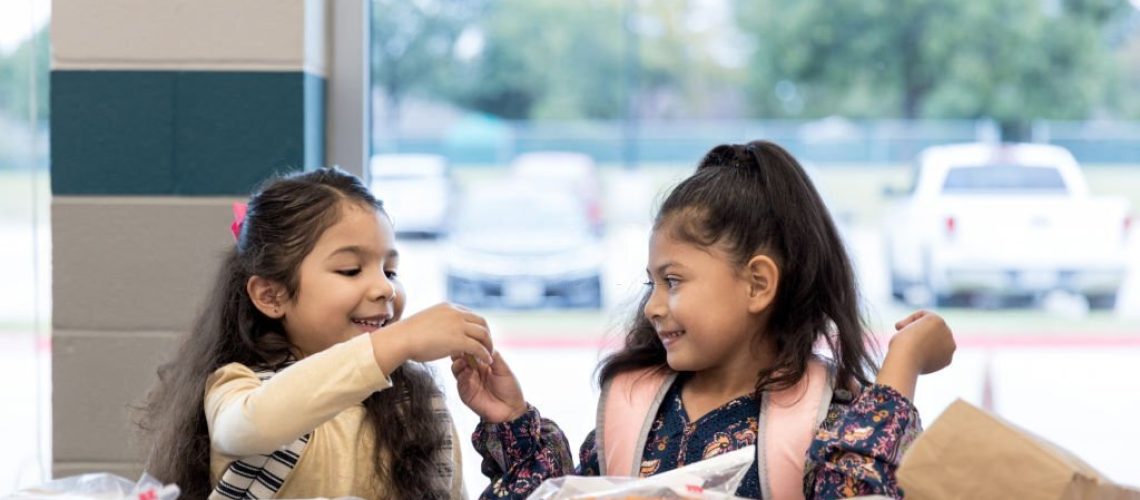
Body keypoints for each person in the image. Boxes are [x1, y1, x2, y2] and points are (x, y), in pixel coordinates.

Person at [453, 141, 957, 499]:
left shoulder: (828, 415)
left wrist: (902, 365)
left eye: (673, 281)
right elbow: (561, 492)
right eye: (651, 283)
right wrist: (512, 424)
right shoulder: (636, 408)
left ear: (758, 284)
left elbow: (854, 487)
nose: (652, 306)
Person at [138, 167, 495, 499]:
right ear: (271, 295)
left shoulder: (415, 404)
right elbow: (249, 428)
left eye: (390, 271)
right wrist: (397, 341)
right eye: (351, 270)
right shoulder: (238, 384)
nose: (384, 289)